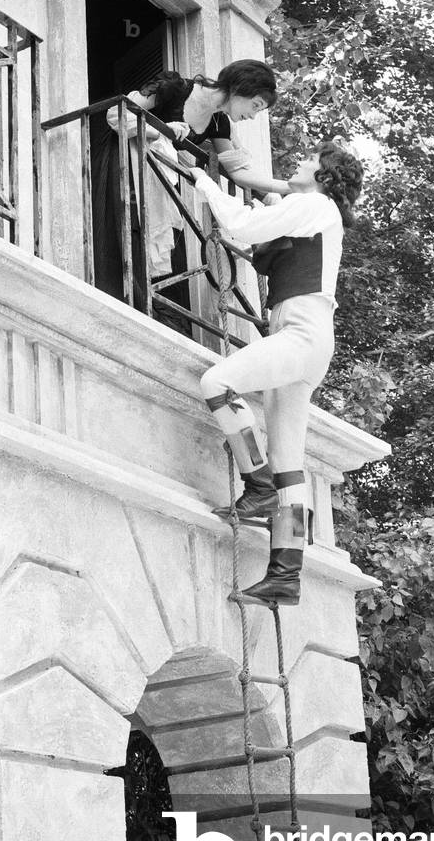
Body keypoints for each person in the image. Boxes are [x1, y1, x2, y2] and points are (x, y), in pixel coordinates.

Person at [191, 142, 364, 607]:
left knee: (217, 384)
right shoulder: (313, 209)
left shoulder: (314, 204)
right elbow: (265, 206)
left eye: (310, 160)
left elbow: (242, 226)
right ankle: (286, 575)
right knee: (292, 468)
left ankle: (257, 482)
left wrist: (202, 179)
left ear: (324, 176)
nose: (299, 161)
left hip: (302, 332)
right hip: (307, 337)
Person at [94, 61, 289, 324]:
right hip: (126, 166)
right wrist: (160, 131)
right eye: (255, 105)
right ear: (241, 87)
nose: (254, 116)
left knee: (152, 248)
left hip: (159, 186)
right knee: (123, 235)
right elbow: (118, 114)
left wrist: (282, 190)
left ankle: (144, 311)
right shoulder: (175, 87)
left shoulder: (219, 123)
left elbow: (239, 173)